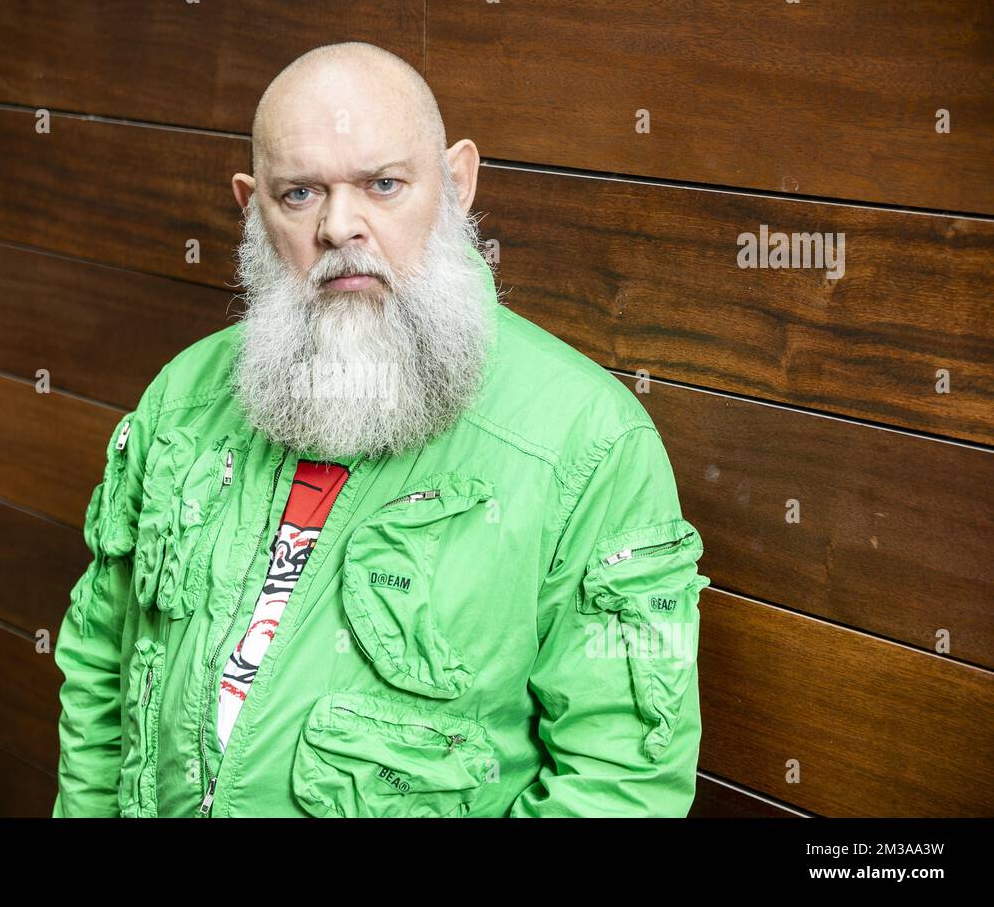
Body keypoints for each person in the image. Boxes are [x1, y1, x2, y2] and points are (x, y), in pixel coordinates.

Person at [52, 41, 709, 818]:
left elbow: (620, 782)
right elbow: (102, 665)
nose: (339, 226)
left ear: (457, 183)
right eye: (299, 194)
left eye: (383, 184)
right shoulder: (183, 398)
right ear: (251, 205)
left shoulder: (590, 441)